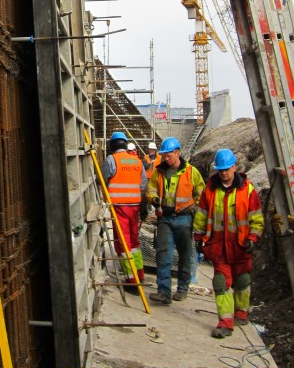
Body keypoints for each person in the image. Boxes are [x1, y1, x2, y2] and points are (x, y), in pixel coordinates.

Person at [193, 148, 264, 338]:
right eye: (220, 170)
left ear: (234, 167)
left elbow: (256, 218)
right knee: (221, 283)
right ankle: (225, 322)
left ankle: (241, 313)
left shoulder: (247, 191)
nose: (224, 173)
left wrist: (253, 237)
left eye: (227, 169)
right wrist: (199, 238)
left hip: (240, 245)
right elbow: (201, 216)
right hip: (219, 246)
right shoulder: (210, 190)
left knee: (242, 281)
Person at [146, 137, 205, 304]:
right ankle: (164, 292)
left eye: (168, 155)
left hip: (184, 219)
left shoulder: (191, 172)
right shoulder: (158, 172)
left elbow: (202, 194)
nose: (165, 158)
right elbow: (150, 190)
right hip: (165, 218)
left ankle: (182, 288)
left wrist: (195, 211)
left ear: (177, 153)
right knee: (163, 255)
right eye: (163, 155)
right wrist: (154, 199)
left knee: (185, 255)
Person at [101, 131, 148, 285]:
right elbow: (143, 185)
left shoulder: (111, 159)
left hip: (119, 206)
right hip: (134, 206)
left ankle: (131, 278)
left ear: (112, 145)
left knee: (123, 242)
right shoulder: (136, 161)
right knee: (134, 241)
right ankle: (139, 274)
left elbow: (103, 179)